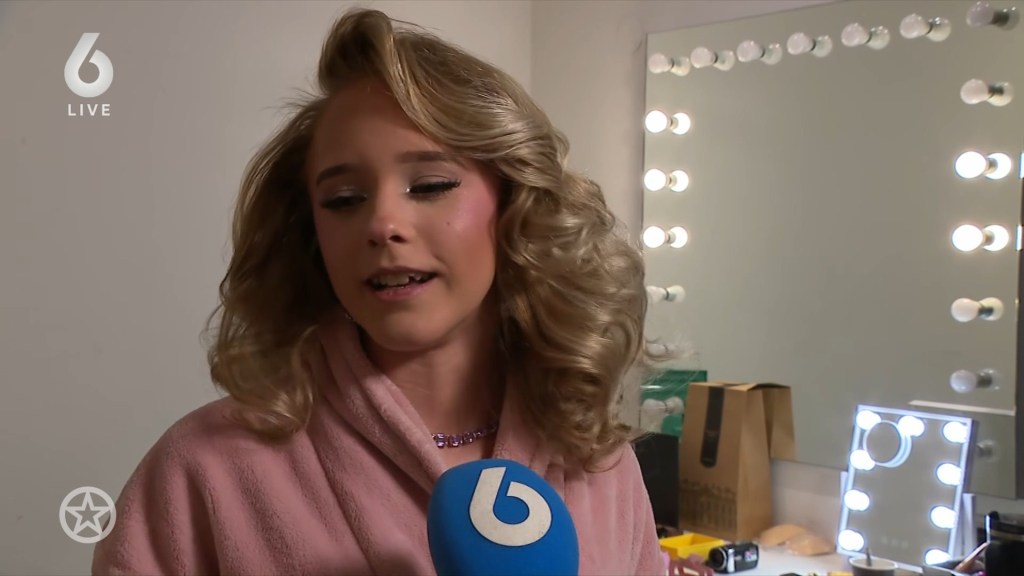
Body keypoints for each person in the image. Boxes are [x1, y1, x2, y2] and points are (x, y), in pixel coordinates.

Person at [92, 7, 664, 575]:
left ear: (516, 204)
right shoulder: (202, 470)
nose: (382, 224)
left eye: (430, 185)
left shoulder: (598, 462)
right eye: (343, 199)